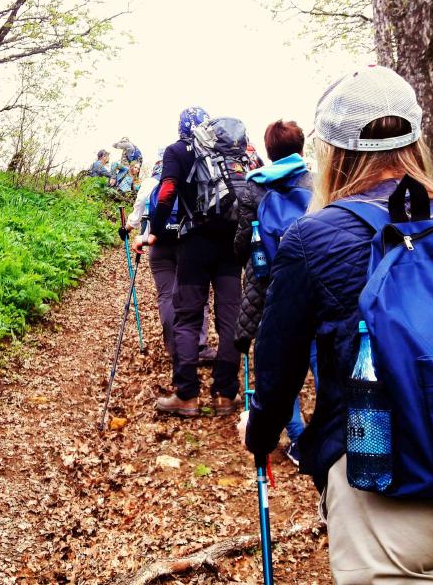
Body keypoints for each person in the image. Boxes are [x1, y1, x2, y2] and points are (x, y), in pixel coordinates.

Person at [241, 66, 433, 584]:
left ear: (332, 152)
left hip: (379, 481)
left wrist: (261, 435)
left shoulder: (312, 238)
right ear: (417, 138)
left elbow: (278, 368)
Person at [136, 106, 242, 417]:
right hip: (231, 245)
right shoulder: (229, 149)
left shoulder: (178, 151)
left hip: (195, 244)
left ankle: (187, 395)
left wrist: (153, 232)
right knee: (229, 317)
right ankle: (225, 394)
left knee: (187, 317)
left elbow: (167, 191)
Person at [234, 120, 316, 466]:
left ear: (269, 151)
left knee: (281, 360)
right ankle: (331, 431)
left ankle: (297, 437)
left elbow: (241, 243)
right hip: (315, 278)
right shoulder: (316, 181)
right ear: (301, 147)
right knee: (319, 354)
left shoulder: (253, 188)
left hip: (269, 281)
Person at [127, 156, 216, 366]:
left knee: (166, 296)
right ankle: (199, 345)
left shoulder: (150, 184)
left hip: (158, 243)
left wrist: (130, 228)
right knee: (196, 293)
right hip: (187, 241)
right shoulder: (192, 179)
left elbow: (138, 212)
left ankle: (174, 347)